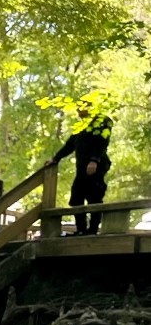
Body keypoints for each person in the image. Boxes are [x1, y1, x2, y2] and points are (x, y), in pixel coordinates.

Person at [45, 98, 113, 235]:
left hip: (96, 166)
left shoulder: (101, 121)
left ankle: (93, 230)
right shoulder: (80, 127)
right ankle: (81, 229)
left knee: (94, 197)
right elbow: (69, 145)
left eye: (80, 108)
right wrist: (55, 158)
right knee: (76, 198)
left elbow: (102, 142)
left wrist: (94, 160)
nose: (78, 111)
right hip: (82, 168)